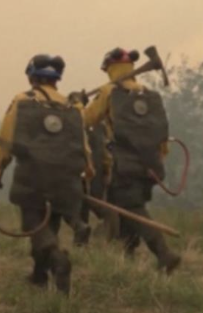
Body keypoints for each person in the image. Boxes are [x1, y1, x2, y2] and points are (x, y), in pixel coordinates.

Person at [0, 54, 93, 295]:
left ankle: (58, 260)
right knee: (50, 225)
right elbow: (83, 147)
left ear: (32, 77)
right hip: (66, 182)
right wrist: (87, 174)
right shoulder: (73, 107)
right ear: (56, 79)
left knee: (35, 226)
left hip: (32, 180)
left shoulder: (22, 101)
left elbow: (5, 141)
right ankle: (39, 276)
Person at [84, 47, 181, 274]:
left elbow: (87, 119)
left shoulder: (110, 92)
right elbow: (161, 135)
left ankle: (164, 254)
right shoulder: (149, 94)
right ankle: (127, 258)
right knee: (123, 207)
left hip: (124, 166)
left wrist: (79, 103)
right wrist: (154, 164)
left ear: (110, 68)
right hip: (151, 166)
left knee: (133, 209)